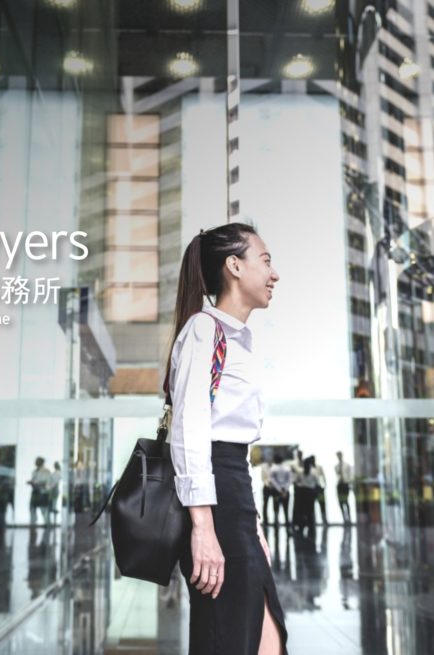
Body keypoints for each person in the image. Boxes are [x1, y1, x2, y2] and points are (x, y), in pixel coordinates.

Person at [166, 223, 287, 654]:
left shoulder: (235, 340)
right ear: (234, 266)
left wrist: (251, 522)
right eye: (266, 260)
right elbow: (189, 430)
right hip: (213, 500)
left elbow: (232, 447)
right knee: (230, 637)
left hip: (234, 495)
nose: (275, 274)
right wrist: (203, 527)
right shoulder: (204, 329)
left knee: (265, 634)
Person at [267, 454, 292, 528]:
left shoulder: (273, 468)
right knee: (286, 508)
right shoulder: (287, 468)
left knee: (276, 507)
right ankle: (287, 522)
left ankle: (276, 522)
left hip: (276, 492)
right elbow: (289, 480)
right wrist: (285, 489)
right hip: (285, 491)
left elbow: (273, 480)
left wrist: (279, 490)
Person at [27, 457, 52, 525]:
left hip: (43, 493)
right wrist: (32, 482)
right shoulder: (34, 471)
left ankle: (47, 525)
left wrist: (38, 483)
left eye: (38, 462)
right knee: (32, 509)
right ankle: (33, 524)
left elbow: (47, 483)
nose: (37, 463)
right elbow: (33, 480)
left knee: (44, 510)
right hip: (35, 492)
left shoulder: (46, 471)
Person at [335, 452, 353, 526]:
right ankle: (344, 519)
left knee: (345, 501)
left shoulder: (347, 465)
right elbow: (337, 474)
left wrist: (350, 484)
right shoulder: (336, 466)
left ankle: (349, 518)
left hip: (345, 484)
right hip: (339, 485)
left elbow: (350, 475)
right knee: (341, 502)